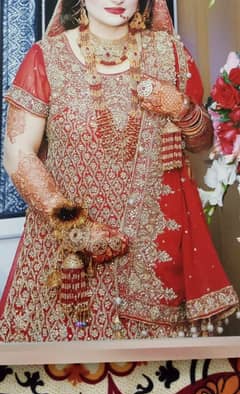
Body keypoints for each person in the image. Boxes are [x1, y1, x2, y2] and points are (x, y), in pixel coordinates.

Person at [0, 0, 238, 342]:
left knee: (157, 382)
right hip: (70, 255)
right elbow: (18, 155)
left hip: (153, 256)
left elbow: (201, 143)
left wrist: (181, 108)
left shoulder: (170, 54)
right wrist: (76, 226)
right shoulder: (46, 58)